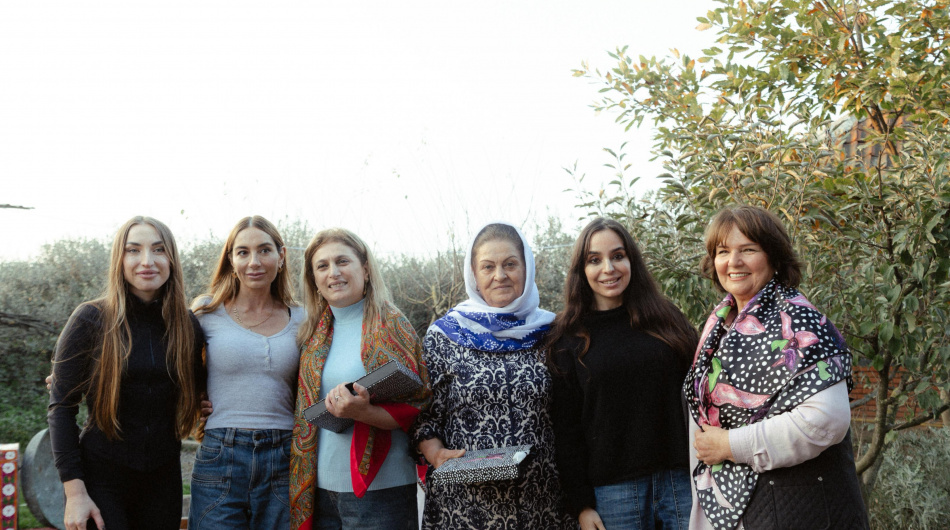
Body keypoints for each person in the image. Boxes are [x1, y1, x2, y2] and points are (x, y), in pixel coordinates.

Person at [684, 205, 869, 529]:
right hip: (736, 506)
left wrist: (730, 445)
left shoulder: (799, 320)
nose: (733, 262)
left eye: (748, 250)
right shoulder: (720, 323)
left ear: (773, 256)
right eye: (723, 251)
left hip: (796, 509)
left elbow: (826, 421)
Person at [411, 221, 575, 529]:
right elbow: (422, 414)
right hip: (464, 506)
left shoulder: (554, 333)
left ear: (527, 268)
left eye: (510, 264)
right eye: (488, 267)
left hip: (542, 505)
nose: (500, 275)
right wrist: (436, 454)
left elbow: (573, 417)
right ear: (474, 274)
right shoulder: (444, 335)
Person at [48, 216, 203, 530]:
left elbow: (203, 388)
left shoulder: (188, 326)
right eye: (133, 250)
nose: (147, 261)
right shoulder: (90, 318)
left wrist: (207, 403)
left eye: (158, 250)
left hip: (163, 482)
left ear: (171, 259)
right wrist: (74, 493)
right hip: (100, 480)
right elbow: (61, 408)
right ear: (119, 259)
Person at [545, 218, 698, 530]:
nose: (608, 268)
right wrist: (581, 505)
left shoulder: (666, 319)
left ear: (631, 260)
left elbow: (700, 391)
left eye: (617, 256)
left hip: (680, 480)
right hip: (614, 493)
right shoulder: (567, 337)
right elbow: (566, 429)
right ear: (581, 269)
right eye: (594, 260)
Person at [290, 228, 431, 530]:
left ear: (365, 269)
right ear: (314, 280)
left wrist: (363, 412)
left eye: (342, 261)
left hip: (382, 492)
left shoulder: (392, 324)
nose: (333, 272)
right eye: (322, 266)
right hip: (319, 491)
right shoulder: (312, 334)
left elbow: (418, 407)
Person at [188, 216, 304, 529]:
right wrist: (191, 399)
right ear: (231, 259)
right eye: (243, 252)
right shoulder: (206, 312)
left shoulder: (303, 318)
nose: (254, 262)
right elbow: (172, 367)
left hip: (284, 454)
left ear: (281, 255)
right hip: (220, 453)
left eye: (264, 250)